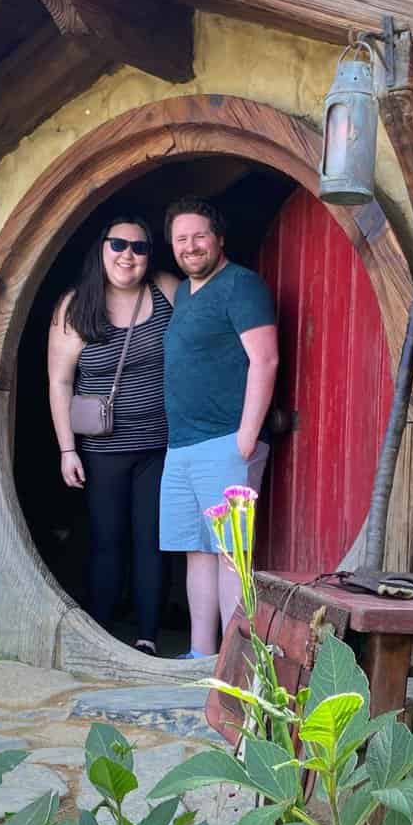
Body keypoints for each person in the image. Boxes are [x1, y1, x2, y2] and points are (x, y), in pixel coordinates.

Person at [47, 215, 178, 654]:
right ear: (101, 249)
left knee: (152, 540)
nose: (128, 255)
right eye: (118, 244)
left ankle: (147, 637)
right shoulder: (76, 305)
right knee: (107, 539)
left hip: (161, 443)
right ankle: (101, 637)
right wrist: (67, 449)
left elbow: (204, 332)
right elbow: (60, 381)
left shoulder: (164, 289)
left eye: (139, 248)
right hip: (102, 447)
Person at [160, 195, 278, 657]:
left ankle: (237, 662)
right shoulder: (186, 293)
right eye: (181, 239)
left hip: (226, 442)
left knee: (231, 556)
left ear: (219, 239)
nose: (190, 247)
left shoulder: (241, 286)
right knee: (198, 552)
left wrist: (246, 438)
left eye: (199, 236)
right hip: (183, 445)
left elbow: (264, 360)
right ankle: (200, 656)